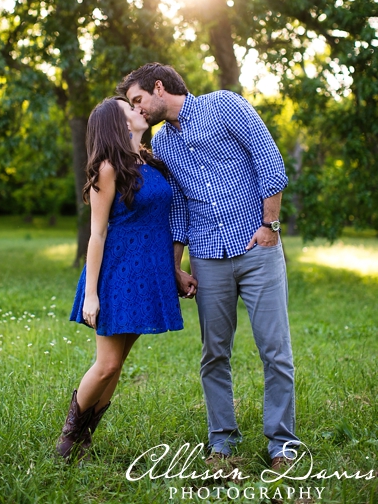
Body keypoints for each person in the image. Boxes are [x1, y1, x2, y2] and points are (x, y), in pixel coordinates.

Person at [118, 62, 298, 471]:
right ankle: (223, 443)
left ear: (158, 87)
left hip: (256, 247)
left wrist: (270, 225)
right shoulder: (163, 145)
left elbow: (268, 160)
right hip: (208, 257)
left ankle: (282, 446)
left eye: (138, 100)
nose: (138, 110)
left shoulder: (225, 105)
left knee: (275, 351)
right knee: (214, 353)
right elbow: (178, 207)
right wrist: (177, 266)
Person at [56, 97, 184, 460]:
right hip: (116, 273)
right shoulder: (107, 168)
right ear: (119, 122)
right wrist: (91, 295)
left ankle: (85, 438)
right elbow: (97, 234)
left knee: (119, 363)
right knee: (107, 363)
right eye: (130, 107)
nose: (138, 110)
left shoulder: (150, 160)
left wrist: (174, 269)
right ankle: (68, 437)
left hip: (147, 276)